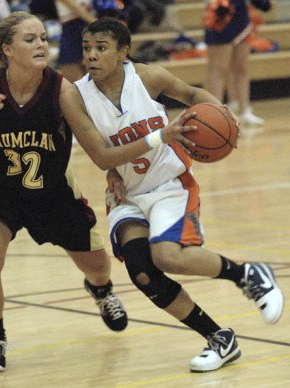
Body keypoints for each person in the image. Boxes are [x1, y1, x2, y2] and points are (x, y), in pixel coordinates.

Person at [59, 17, 284, 373]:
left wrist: (224, 115)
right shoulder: (75, 96)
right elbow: (102, 157)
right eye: (87, 48)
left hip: (168, 184)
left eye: (101, 48)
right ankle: (219, 338)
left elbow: (194, 95)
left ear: (123, 53)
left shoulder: (147, 77)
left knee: (167, 257)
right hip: (127, 195)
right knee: (143, 273)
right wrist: (158, 137)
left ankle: (247, 274)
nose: (91, 56)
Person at [0, 11, 130, 374]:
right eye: (31, 39)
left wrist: (115, 174)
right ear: (8, 49)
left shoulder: (62, 91)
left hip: (52, 190)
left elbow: (98, 143)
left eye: (43, 37)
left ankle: (101, 291)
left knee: (97, 266)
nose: (41, 43)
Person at [203, 0, 271, 126]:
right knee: (218, 69)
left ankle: (245, 110)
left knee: (242, 67)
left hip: (241, 13)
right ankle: (213, 114)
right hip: (219, 11)